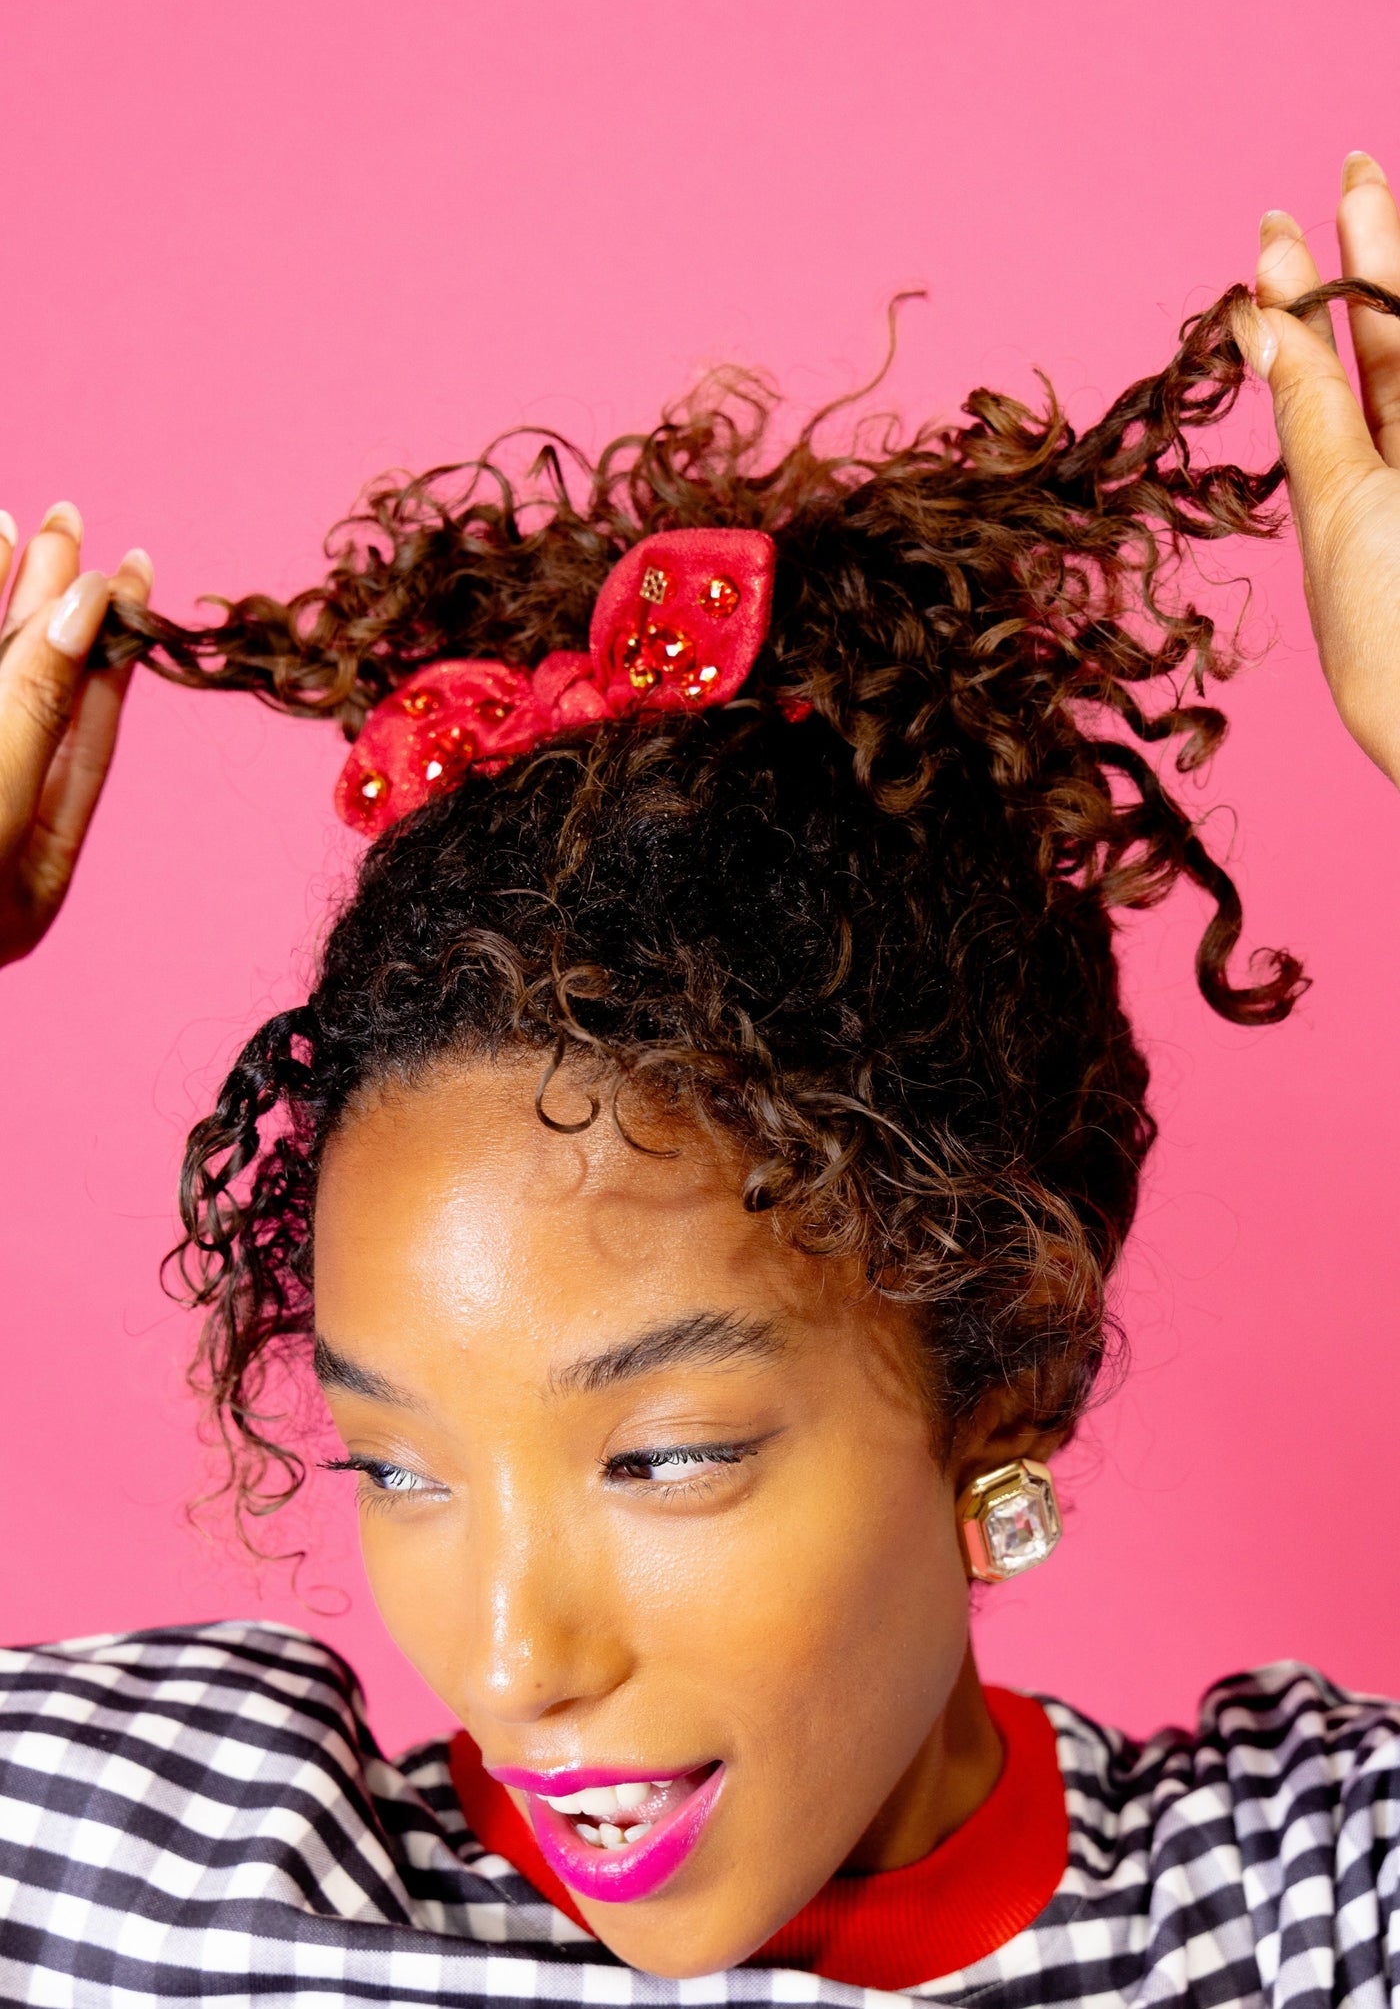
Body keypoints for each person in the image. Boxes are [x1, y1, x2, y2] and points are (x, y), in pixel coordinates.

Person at [0, 157, 1396, 2009]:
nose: (508, 1662)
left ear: (1007, 1373)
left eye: (663, 1452)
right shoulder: (162, 1875)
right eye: (397, 1463)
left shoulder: (1307, 1907)